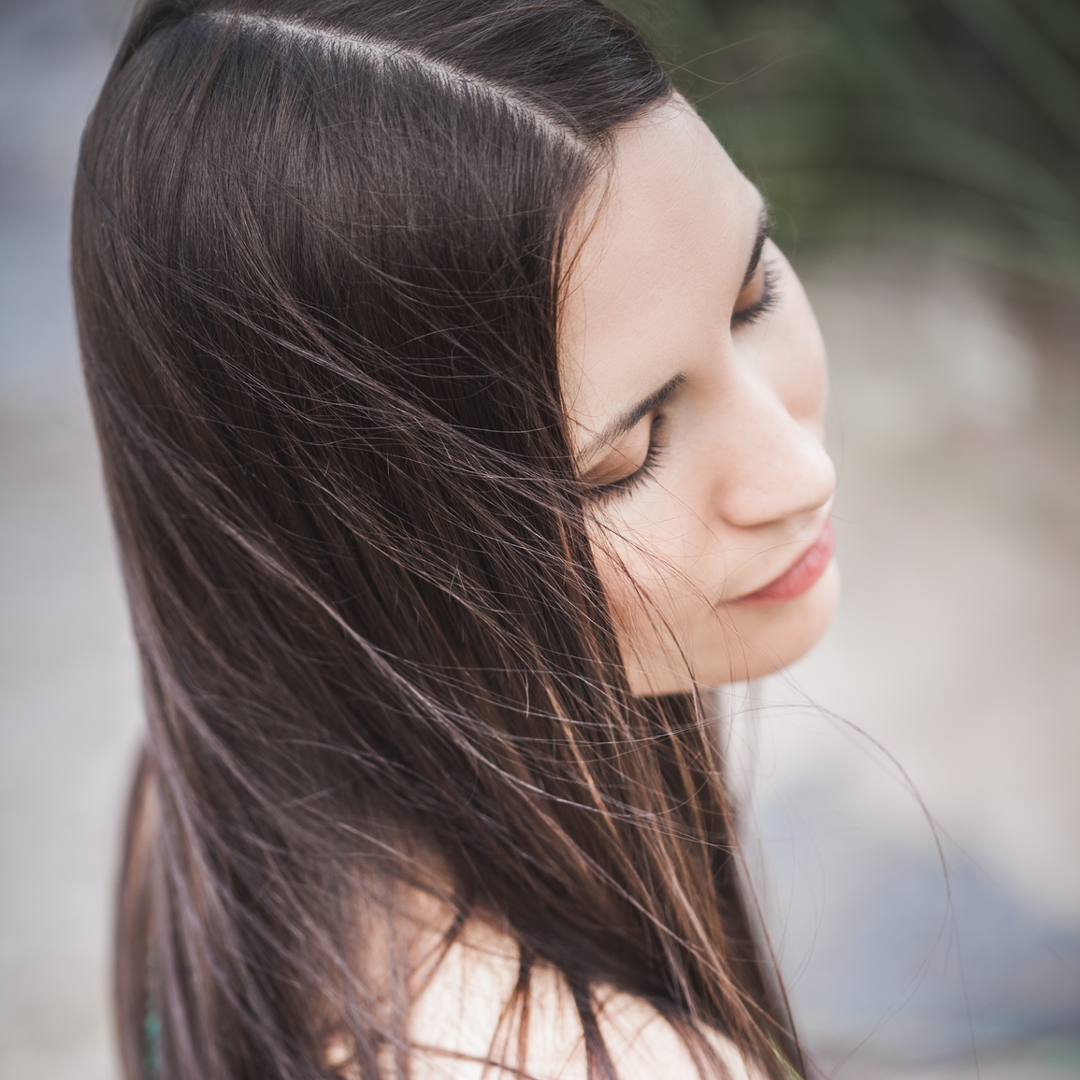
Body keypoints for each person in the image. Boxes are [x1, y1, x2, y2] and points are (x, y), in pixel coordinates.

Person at [71, 1, 837, 1076]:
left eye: (753, 295)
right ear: (356, 544)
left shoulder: (206, 787)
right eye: (628, 454)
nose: (801, 474)